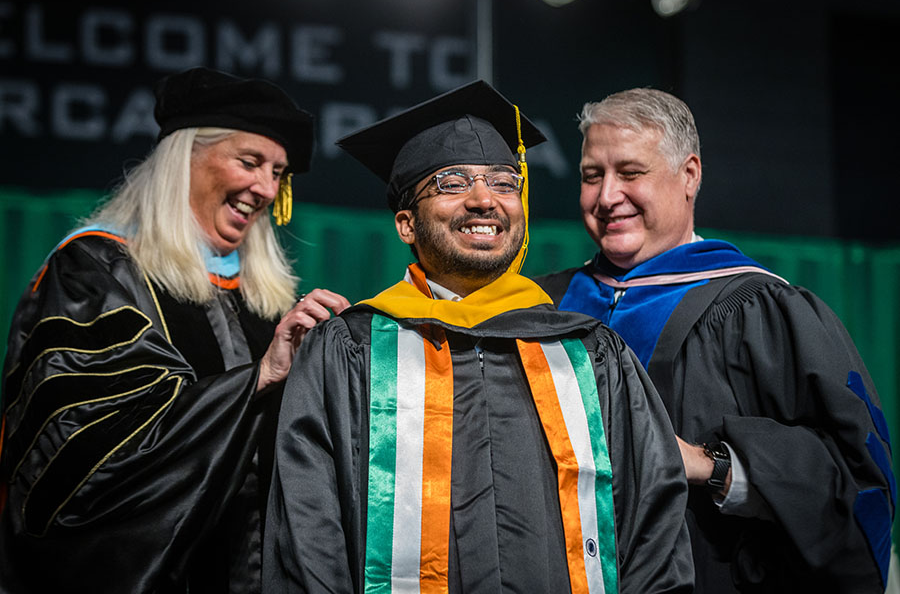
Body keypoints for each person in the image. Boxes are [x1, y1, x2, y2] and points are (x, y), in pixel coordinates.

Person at [262, 80, 693, 594]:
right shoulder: (350, 351)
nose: (484, 199)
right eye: (451, 182)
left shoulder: (590, 352)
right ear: (406, 224)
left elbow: (653, 526)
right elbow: (307, 535)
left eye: (505, 182)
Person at [0, 67, 350, 593]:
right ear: (182, 160)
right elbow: (84, 455)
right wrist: (255, 382)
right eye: (250, 162)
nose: (265, 188)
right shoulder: (97, 272)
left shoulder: (267, 300)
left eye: (278, 173)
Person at [535, 87, 895, 593]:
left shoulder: (760, 310)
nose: (607, 196)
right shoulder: (548, 306)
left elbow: (852, 482)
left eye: (631, 173)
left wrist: (715, 464)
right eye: (592, 176)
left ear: (689, 175)